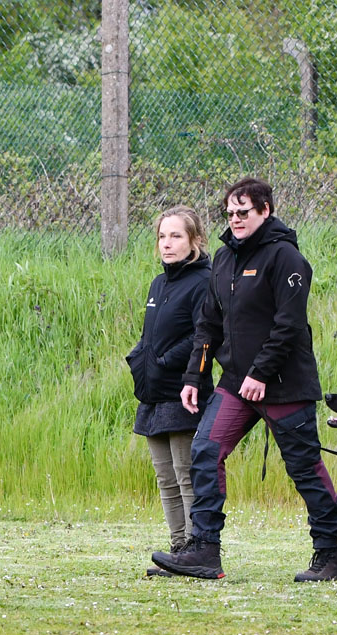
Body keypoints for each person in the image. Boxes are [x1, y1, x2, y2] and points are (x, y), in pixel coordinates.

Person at [150, 177, 337, 582]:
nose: (236, 219)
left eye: (244, 212)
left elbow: (289, 324)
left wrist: (262, 372)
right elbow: (209, 324)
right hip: (235, 383)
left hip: (284, 383)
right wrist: (194, 376)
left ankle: (330, 555)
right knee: (205, 450)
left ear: (265, 211)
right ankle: (204, 550)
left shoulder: (286, 258)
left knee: (304, 467)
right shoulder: (223, 260)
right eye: (230, 213)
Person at [127, 206, 213, 577]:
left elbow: (203, 336)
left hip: (184, 392)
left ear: (194, 240)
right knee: (164, 476)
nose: (167, 244)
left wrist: (163, 359)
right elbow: (152, 335)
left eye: (176, 236)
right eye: (163, 236)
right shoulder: (158, 284)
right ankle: (177, 548)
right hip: (153, 394)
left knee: (185, 473)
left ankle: (196, 550)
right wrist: (140, 358)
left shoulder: (204, 281)